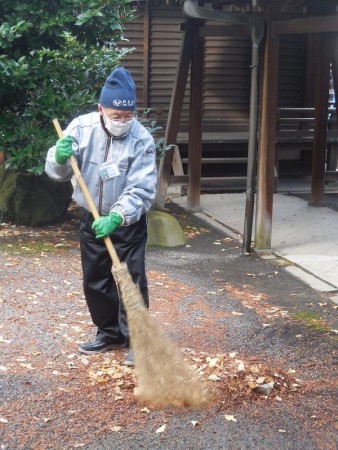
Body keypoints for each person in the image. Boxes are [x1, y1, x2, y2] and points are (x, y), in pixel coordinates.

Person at [45, 67, 157, 366]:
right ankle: (109, 333)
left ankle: (138, 340)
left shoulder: (141, 139)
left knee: (131, 280)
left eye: (128, 116)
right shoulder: (81, 129)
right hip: (91, 218)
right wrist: (57, 157)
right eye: (115, 115)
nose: (122, 122)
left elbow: (143, 188)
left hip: (128, 223)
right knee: (95, 278)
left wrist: (118, 216)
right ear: (101, 109)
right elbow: (59, 173)